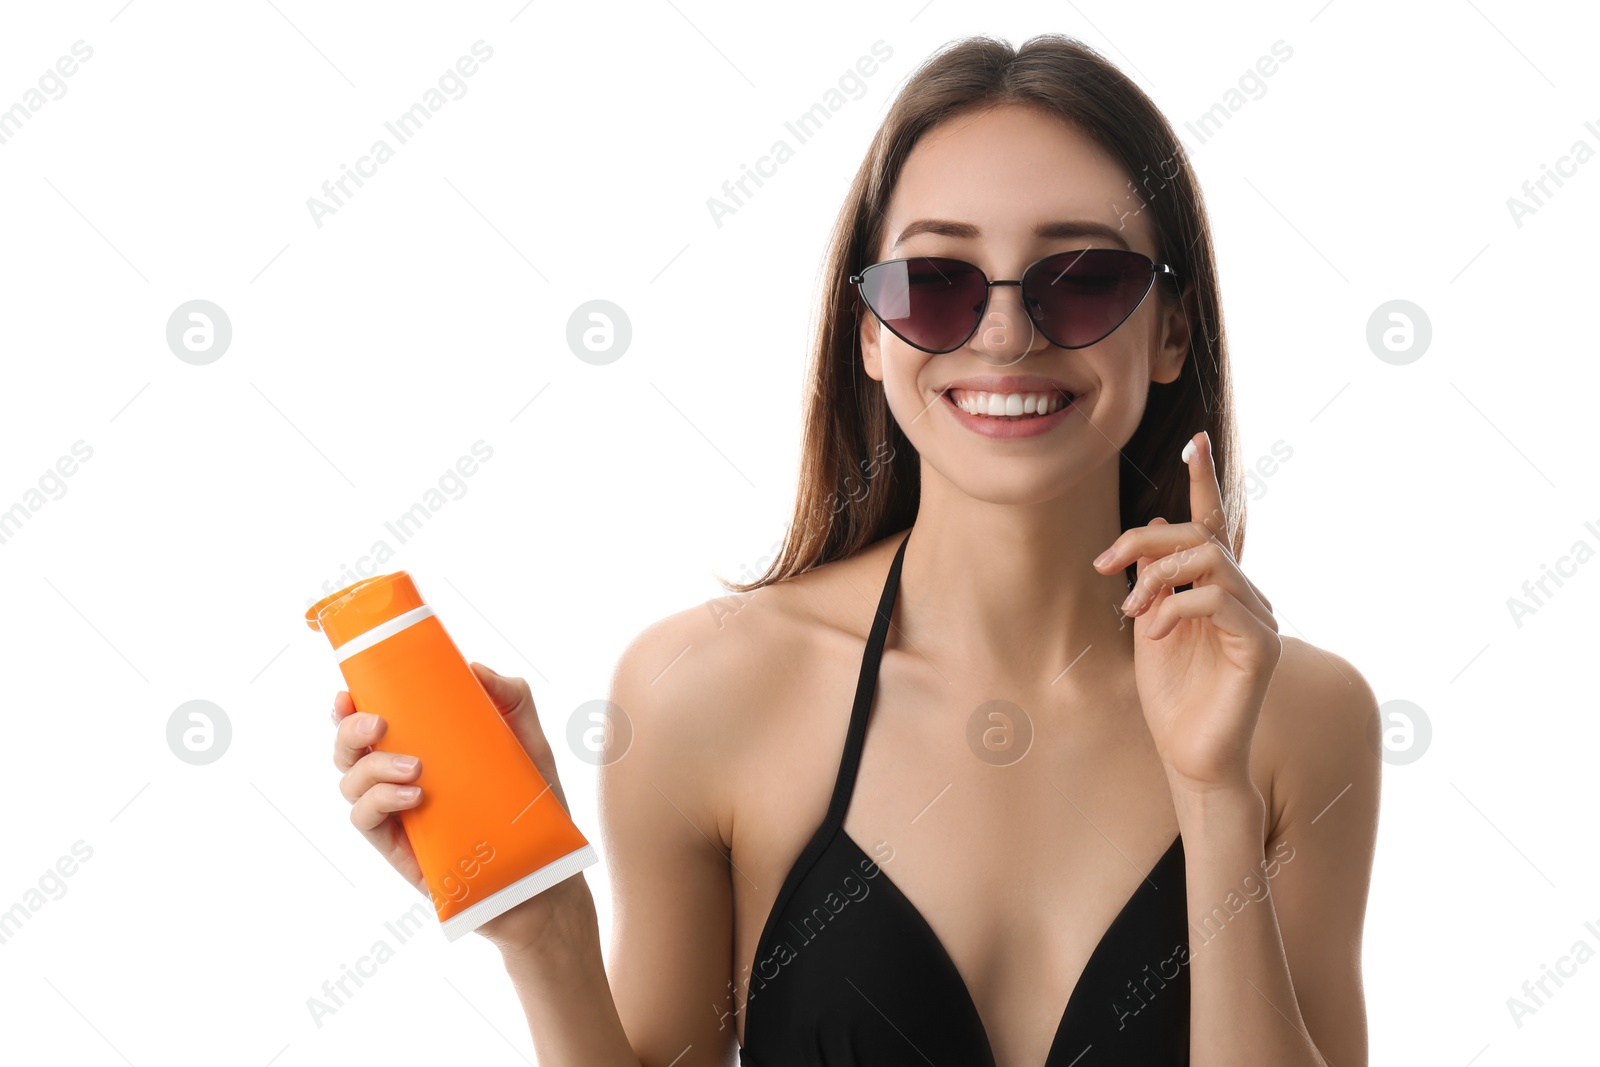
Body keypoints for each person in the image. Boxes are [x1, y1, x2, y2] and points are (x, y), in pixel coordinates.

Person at [331, 33, 1380, 1066]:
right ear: (871, 333)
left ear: (1169, 333)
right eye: (936, 281)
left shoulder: (1301, 718)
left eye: (1081, 278)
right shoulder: (709, 688)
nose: (1006, 334)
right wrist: (543, 926)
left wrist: (1211, 789)